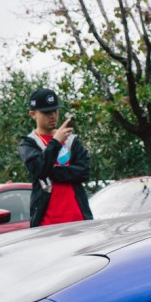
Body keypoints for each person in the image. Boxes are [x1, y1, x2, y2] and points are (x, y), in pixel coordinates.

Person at [18, 87, 93, 227]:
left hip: (80, 220)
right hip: (48, 224)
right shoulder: (29, 143)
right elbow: (39, 170)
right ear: (33, 114)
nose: (53, 115)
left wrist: (52, 172)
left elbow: (84, 171)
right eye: (46, 112)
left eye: (55, 110)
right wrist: (56, 142)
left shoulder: (71, 139)